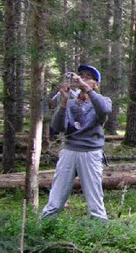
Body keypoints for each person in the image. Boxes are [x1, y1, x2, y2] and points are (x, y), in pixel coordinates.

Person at [41, 64, 112, 220]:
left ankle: (101, 233)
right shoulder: (71, 103)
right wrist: (64, 102)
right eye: (81, 76)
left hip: (91, 153)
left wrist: (86, 87)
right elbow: (58, 126)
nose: (82, 79)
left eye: (88, 77)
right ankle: (44, 228)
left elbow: (105, 110)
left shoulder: (102, 101)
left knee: (95, 202)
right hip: (69, 151)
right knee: (56, 197)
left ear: (96, 84)